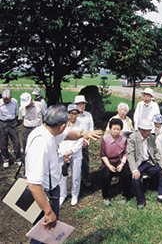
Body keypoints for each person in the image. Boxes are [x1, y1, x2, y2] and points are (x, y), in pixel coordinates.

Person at [25, 105, 101, 244]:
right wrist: (48, 212)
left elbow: (68, 134)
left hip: (51, 189)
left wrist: (84, 133)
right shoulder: (41, 145)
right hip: (44, 194)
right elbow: (34, 184)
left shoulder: (46, 131)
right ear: (61, 125)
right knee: (42, 234)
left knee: (48, 235)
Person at [127, 119, 162, 209]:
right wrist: (135, 170)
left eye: (150, 130)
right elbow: (130, 155)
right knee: (135, 178)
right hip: (138, 163)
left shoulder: (151, 138)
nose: (150, 132)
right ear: (141, 130)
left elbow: (156, 152)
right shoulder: (133, 138)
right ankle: (140, 200)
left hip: (148, 162)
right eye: (148, 131)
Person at [100, 118, 132, 206]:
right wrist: (109, 166)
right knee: (106, 175)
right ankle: (106, 196)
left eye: (118, 129)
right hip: (108, 161)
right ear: (110, 129)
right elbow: (103, 155)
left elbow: (126, 153)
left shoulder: (124, 139)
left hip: (120, 161)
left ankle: (125, 195)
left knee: (127, 173)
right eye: (114, 129)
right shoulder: (105, 139)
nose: (116, 131)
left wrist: (122, 164)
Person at [58, 104, 84, 206]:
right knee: (62, 175)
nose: (73, 116)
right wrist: (63, 153)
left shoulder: (80, 125)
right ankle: (62, 195)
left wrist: (71, 151)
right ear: (67, 114)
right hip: (63, 153)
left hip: (76, 154)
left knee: (76, 175)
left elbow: (80, 140)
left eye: (75, 114)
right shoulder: (62, 125)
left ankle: (74, 195)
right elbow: (58, 139)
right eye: (71, 113)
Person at [73, 95, 94, 188]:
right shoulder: (73, 115)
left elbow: (91, 130)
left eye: (83, 104)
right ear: (76, 105)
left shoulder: (88, 115)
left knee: (85, 162)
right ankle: (73, 181)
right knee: (72, 163)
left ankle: (86, 180)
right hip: (73, 142)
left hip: (85, 143)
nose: (81, 106)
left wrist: (87, 141)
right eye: (79, 104)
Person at [19, 92, 46, 157]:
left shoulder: (39, 105)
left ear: (31, 99)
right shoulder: (22, 108)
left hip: (38, 129)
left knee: (40, 147)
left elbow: (44, 116)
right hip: (27, 130)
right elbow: (21, 120)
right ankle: (26, 164)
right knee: (27, 148)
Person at [0, 89, 21, 168]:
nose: (6, 100)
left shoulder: (14, 102)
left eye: (7, 99)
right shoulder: (0, 103)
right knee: (3, 143)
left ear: (11, 97)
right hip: (2, 123)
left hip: (12, 122)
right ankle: (5, 159)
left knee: (16, 142)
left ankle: (17, 159)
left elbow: (15, 111)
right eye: (4, 99)